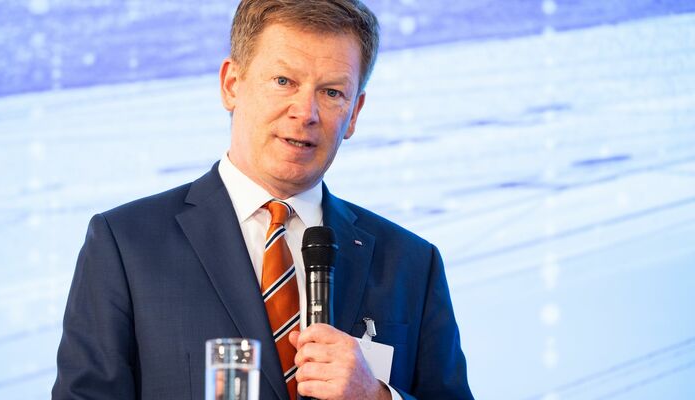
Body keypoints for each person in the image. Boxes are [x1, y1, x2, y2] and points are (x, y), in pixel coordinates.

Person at [52, 0, 474, 399]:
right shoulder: (127, 245)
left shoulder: (411, 263)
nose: (305, 112)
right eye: (283, 81)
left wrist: (376, 395)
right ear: (231, 85)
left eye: (331, 93)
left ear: (355, 113)